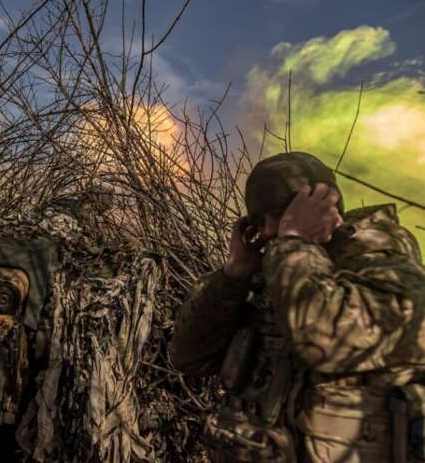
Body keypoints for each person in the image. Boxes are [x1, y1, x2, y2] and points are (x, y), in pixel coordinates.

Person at [170, 151, 425, 462]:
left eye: (276, 216)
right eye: (257, 223)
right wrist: (234, 276)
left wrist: (293, 242)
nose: (265, 233)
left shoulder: (386, 269)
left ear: (324, 205)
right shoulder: (279, 273)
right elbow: (189, 358)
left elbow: (320, 340)